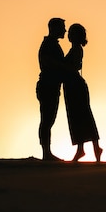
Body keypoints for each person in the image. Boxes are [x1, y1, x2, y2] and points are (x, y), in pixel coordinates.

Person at [63, 23, 102, 162]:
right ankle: (82, 149)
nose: (69, 35)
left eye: (72, 33)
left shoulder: (76, 49)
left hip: (75, 85)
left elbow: (72, 67)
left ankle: (94, 148)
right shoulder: (75, 49)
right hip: (72, 85)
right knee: (77, 118)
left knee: (84, 116)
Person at [36, 17, 68, 161]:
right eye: (62, 27)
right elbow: (49, 63)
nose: (65, 30)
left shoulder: (52, 44)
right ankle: (46, 153)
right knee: (47, 120)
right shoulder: (48, 44)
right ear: (54, 28)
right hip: (48, 85)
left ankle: (47, 152)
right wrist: (66, 67)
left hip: (52, 86)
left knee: (48, 120)